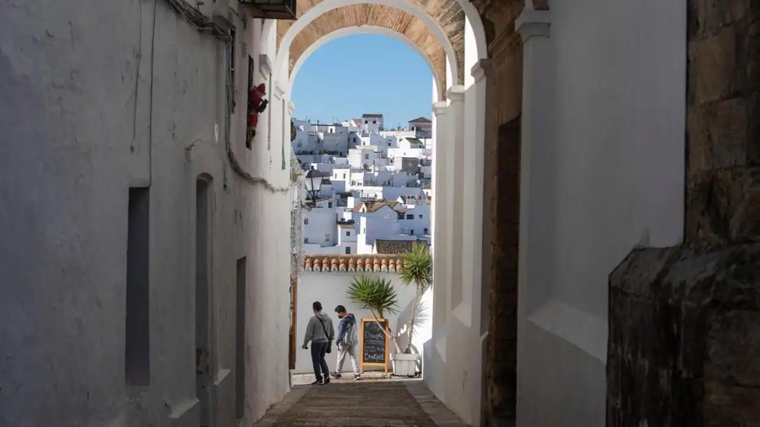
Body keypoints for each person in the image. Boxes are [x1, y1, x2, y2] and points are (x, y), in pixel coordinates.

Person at [302, 301, 334, 385]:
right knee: (321, 358)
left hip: (316, 343)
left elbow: (309, 333)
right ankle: (326, 376)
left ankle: (319, 378)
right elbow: (332, 333)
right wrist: (330, 343)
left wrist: (305, 344)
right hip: (325, 342)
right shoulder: (329, 319)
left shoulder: (313, 319)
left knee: (316, 360)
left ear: (314, 309)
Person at [331, 305, 361, 380]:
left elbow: (341, 333)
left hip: (344, 342)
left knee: (340, 357)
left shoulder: (343, 321)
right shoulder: (352, 317)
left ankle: (338, 373)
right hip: (353, 340)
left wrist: (337, 342)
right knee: (354, 357)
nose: (338, 315)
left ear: (341, 312)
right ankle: (357, 373)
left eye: (338, 313)